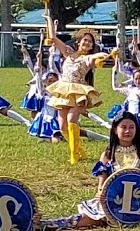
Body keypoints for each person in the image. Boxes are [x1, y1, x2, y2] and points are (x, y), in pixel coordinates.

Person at [46, 27, 112, 164]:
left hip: (78, 92)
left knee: (71, 119)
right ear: (78, 42)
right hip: (64, 89)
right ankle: (80, 151)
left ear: (92, 46)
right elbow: (53, 38)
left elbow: (98, 56)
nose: (87, 43)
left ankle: (74, 154)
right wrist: (49, 20)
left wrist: (106, 55)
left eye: (90, 42)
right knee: (62, 127)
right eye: (85, 40)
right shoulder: (68, 53)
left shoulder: (88, 58)